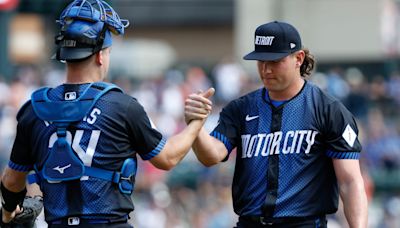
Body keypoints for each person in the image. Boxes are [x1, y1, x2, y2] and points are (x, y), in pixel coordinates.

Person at [0, 0, 213, 227]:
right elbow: (167, 158)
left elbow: (12, 181)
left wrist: (9, 211)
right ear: (101, 55)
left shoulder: (33, 109)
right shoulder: (120, 106)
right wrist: (195, 124)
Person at [185, 21, 368, 228]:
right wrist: (196, 127)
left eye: (275, 61)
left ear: (298, 58)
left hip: (304, 224)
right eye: (261, 61)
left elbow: (350, 181)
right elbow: (211, 156)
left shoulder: (327, 109)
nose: (266, 69)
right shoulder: (241, 108)